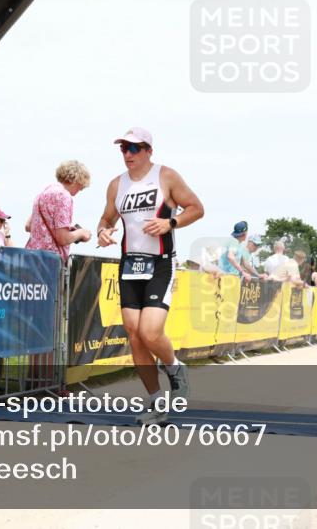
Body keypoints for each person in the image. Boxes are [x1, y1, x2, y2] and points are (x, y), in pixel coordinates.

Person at [95, 128, 204, 424]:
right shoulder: (116, 185)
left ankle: (174, 367)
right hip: (130, 263)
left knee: (150, 332)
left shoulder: (166, 176)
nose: (128, 154)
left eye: (134, 148)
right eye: (123, 149)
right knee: (134, 334)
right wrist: (103, 232)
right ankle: (156, 402)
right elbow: (106, 219)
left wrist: (171, 223)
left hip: (159, 264)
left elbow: (196, 208)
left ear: (148, 151)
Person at [25, 161, 92, 261]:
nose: (81, 189)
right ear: (76, 180)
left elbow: (28, 226)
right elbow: (63, 238)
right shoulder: (64, 196)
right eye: (81, 185)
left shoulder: (43, 193)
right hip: (49, 261)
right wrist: (81, 233)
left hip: (31, 257)